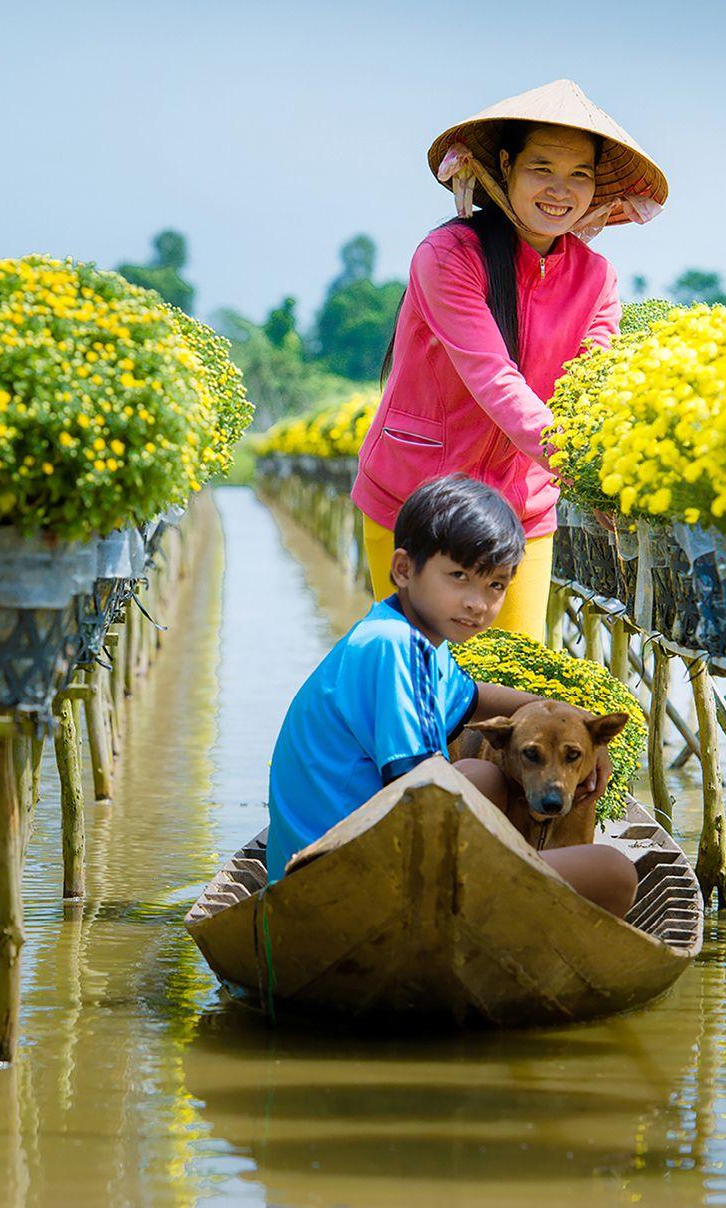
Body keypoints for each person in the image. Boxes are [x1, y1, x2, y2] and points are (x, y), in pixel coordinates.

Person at [351, 79, 669, 641]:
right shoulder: (449, 255)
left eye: (579, 174)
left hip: (520, 509)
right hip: (416, 498)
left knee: (513, 692)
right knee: (416, 682)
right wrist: (578, 467)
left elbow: (589, 391)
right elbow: (494, 379)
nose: (560, 189)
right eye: (541, 167)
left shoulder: (597, 279)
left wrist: (602, 475)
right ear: (505, 166)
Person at [265, 473, 638, 915]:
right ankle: (498, 901)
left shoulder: (402, 635)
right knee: (614, 872)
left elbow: (474, 697)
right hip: (344, 881)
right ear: (403, 569)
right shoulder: (395, 648)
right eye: (458, 576)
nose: (477, 603)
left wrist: (585, 727)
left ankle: (498, 887)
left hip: (335, 863)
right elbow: (422, 789)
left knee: (485, 777)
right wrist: (512, 861)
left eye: (495, 585)